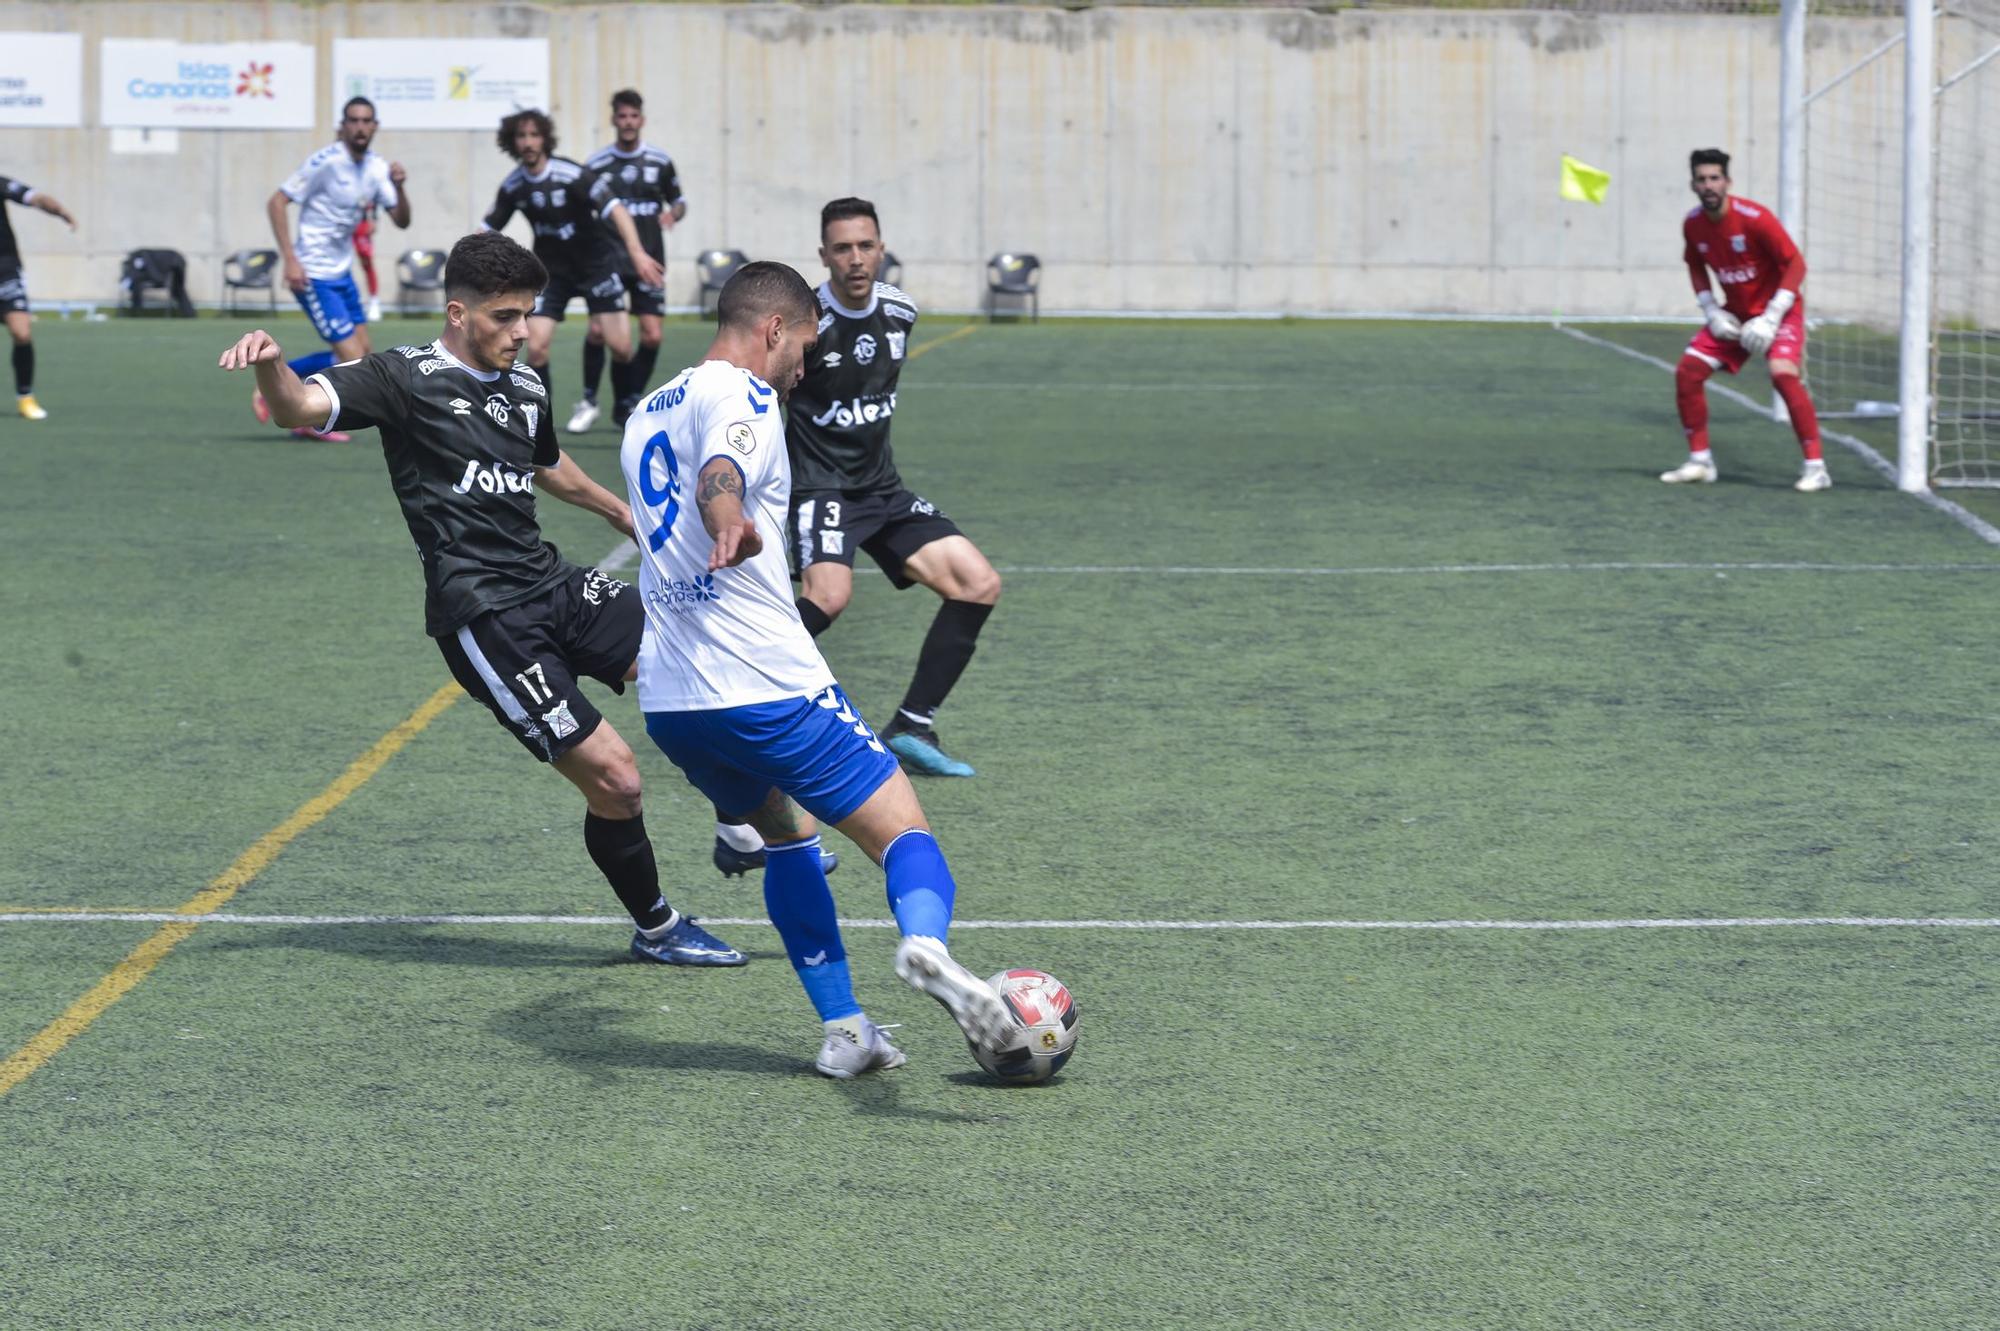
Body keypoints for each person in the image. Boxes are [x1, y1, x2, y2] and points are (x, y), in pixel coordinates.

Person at [218, 230, 744, 969]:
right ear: (459, 312)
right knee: (618, 780)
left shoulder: (526, 383)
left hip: (552, 580)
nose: (522, 331)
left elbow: (546, 463)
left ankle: (739, 821)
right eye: (505, 316)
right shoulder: (405, 377)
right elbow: (301, 407)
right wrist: (274, 366)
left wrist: (618, 511)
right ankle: (658, 926)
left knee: (694, 657)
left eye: (527, 313)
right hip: (485, 616)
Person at [619, 260, 1019, 1079]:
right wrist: (726, 511)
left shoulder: (647, 410)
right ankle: (926, 946)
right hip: (768, 684)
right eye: (803, 343)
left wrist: (721, 508)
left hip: (675, 700)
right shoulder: (745, 396)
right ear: (771, 329)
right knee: (905, 832)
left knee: (786, 837)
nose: (805, 363)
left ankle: (846, 1030)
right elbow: (720, 473)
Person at [786, 198, 1002, 778]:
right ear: (823, 255)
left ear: (881, 248)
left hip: (882, 490)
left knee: (978, 584)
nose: (855, 259)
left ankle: (911, 725)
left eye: (865, 246)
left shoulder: (901, 311)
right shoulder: (806, 325)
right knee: (828, 597)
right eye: (842, 248)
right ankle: (743, 706)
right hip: (819, 489)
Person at [1665, 148, 1831, 493]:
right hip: (1736, 313)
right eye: (1701, 179)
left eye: (1714, 178)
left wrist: (1771, 317)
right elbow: (1695, 264)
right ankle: (1701, 462)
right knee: (1688, 372)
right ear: (1693, 185)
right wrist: (1711, 310)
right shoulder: (1693, 224)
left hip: (1778, 310)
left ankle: (1816, 467)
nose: (1708, 185)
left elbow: (1796, 264)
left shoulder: (1755, 218)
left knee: (1782, 375)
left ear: (1727, 182)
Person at [484, 110, 661, 431]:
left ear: (545, 139)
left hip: (596, 266)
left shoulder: (570, 174)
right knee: (535, 347)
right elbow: (487, 230)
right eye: (521, 136)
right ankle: (540, 421)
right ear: (512, 142)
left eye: (534, 135)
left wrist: (637, 253)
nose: (528, 142)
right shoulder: (514, 186)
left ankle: (623, 406)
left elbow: (616, 209)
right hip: (550, 273)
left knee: (621, 347)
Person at [258, 97, 410, 442]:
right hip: (312, 273)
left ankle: (279, 375)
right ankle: (306, 418)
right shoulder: (325, 162)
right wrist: (291, 259)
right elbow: (277, 202)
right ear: (342, 126)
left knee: (363, 354)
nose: (359, 126)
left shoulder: (375, 167)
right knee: (352, 357)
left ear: (375, 126)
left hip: (342, 273)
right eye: (353, 120)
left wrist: (399, 187)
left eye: (366, 120)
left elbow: (401, 220)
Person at [573, 89, 686, 434]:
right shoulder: (597, 165)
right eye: (621, 116)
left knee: (651, 335)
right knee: (597, 330)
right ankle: (589, 399)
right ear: (613, 120)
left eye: (633, 116)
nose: (627, 122)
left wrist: (672, 214)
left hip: (649, 260)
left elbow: (679, 201)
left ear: (642, 120)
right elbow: (581, 210)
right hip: (609, 260)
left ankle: (629, 397)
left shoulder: (660, 162)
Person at [1, 172, 77, 421]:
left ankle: (26, 398)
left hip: (5, 270)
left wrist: (59, 210)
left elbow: (35, 197)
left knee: (21, 332)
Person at [354, 202, 383, 325]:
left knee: (367, 263)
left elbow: (376, 198)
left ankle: (374, 301)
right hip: (340, 224)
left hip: (360, 224)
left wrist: (374, 219)